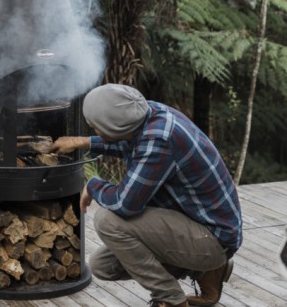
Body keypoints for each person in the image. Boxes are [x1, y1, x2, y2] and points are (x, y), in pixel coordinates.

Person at [51, 84, 242, 307]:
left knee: (108, 221)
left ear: (115, 127)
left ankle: (171, 300)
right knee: (102, 265)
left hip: (213, 237)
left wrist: (93, 185)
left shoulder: (159, 140)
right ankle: (207, 270)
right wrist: (83, 142)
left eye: (96, 127)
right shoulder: (147, 113)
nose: (93, 129)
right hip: (194, 223)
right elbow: (129, 142)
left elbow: (125, 205)